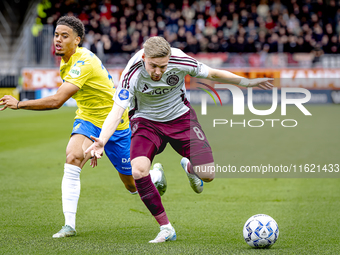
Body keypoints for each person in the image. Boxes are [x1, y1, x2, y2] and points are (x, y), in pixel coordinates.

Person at [85, 36, 274, 243]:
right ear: (144, 57)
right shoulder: (131, 72)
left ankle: (190, 168)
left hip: (181, 118)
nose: (158, 72)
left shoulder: (180, 60)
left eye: (163, 66)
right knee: (138, 170)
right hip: (146, 121)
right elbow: (118, 109)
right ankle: (166, 228)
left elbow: (212, 73)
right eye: (154, 66)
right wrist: (102, 140)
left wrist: (246, 82)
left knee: (208, 174)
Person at [0, 17, 167, 238]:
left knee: (132, 185)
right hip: (88, 120)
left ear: (77, 40)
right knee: (73, 157)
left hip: (114, 122)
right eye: (56, 35)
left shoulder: (83, 62)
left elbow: (57, 101)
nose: (58, 40)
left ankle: (155, 176)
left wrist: (19, 103)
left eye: (64, 36)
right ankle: (69, 225)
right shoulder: (66, 60)